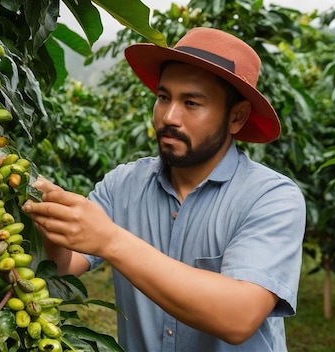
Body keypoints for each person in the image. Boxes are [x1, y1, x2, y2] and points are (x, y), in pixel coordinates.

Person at [21, 27, 306, 351]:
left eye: (192, 103)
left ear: (236, 117)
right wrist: (51, 220)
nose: (169, 116)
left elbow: (238, 317)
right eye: (163, 97)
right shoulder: (122, 184)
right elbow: (62, 272)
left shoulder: (271, 198)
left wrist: (111, 240)